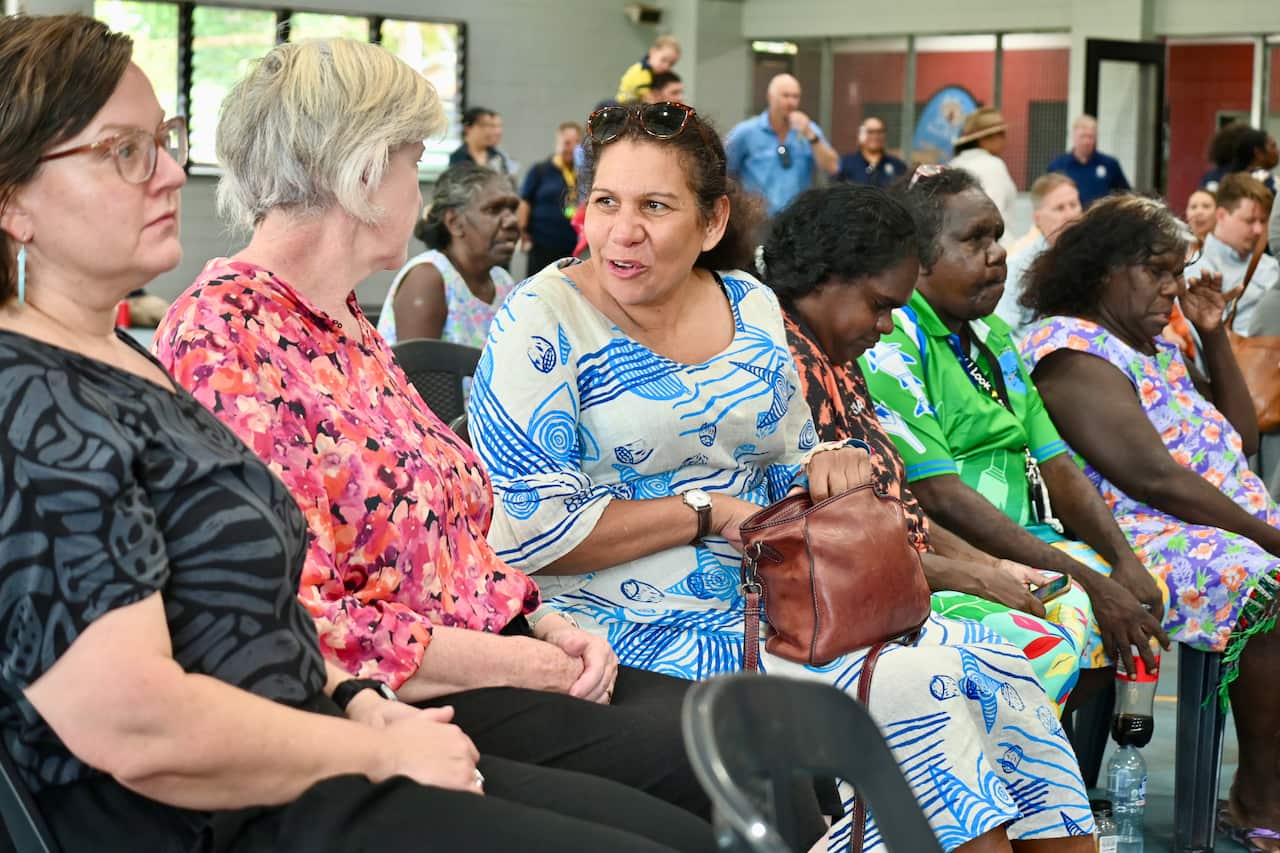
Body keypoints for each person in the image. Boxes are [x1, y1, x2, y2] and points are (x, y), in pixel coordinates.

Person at [0, 16, 712, 853]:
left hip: (326, 727)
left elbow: (259, 615)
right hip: (237, 804)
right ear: (12, 199)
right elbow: (140, 725)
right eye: (125, 150)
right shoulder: (38, 400)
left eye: (166, 140)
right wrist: (377, 740)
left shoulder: (120, 361)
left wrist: (361, 703)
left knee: (717, 786)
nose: (167, 173)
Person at [466, 100, 1096, 853]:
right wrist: (704, 510)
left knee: (1003, 678)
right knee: (916, 694)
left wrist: (825, 466)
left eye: (654, 206)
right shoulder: (540, 319)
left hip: (792, 603)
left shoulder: (751, 304)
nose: (621, 231)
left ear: (711, 221)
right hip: (635, 628)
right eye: (606, 201)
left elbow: (794, 454)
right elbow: (532, 531)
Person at [763, 184, 1094, 711]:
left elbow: (898, 506)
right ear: (824, 278)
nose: (886, 325)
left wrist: (991, 565)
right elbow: (834, 544)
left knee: (1060, 602)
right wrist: (972, 576)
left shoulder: (837, 357)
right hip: (844, 601)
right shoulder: (783, 367)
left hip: (904, 574)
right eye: (878, 306)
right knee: (1036, 646)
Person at [1018, 195, 1280, 851]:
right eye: (1159, 271)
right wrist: (1269, 535)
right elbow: (1151, 477)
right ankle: (1258, 797)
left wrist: (1214, 333)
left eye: (1177, 271)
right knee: (1270, 588)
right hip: (1144, 534)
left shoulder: (1155, 343)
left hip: (1217, 525)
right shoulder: (1070, 350)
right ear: (1105, 271)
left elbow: (1237, 438)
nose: (1173, 287)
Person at [863, 167, 1172, 697]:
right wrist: (1087, 578)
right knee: (1071, 615)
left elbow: (1056, 463)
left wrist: (1121, 561)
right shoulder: (893, 338)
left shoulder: (993, 336)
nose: (997, 253)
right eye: (974, 239)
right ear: (915, 256)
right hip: (957, 551)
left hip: (1034, 539)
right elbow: (938, 493)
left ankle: (1083, 767)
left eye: (998, 237)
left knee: (1140, 591)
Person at [376, 163, 518, 347]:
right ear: (454, 222)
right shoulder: (429, 278)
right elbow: (416, 373)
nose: (512, 221)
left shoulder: (503, 283)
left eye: (513, 209)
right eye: (494, 210)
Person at [726, 73, 839, 217]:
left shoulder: (809, 130)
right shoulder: (746, 132)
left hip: (797, 217)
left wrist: (811, 135)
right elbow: (726, 171)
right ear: (770, 97)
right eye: (785, 96)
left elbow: (833, 167)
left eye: (795, 96)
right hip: (757, 218)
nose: (791, 102)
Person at [1183, 173, 1276, 335]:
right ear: (1221, 216)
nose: (1259, 230)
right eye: (1250, 221)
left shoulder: (1271, 265)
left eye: (1263, 221)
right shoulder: (1198, 273)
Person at [994, 174, 1082, 338]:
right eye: (1060, 208)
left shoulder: (1095, 258)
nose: (1071, 215)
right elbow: (1002, 332)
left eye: (1074, 205)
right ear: (1037, 218)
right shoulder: (1018, 265)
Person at [519, 122, 582, 277]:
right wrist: (522, 231)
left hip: (571, 249)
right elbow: (524, 202)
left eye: (576, 144)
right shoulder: (540, 170)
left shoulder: (583, 174)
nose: (572, 148)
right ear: (558, 143)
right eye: (567, 143)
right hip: (541, 246)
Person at [949, 108, 1018, 247]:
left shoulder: (953, 164)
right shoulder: (993, 166)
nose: (1005, 138)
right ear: (984, 138)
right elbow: (993, 216)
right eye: (1000, 133)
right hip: (994, 247)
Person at [1046, 114, 1130, 207]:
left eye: (1090, 137)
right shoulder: (1058, 166)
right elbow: (1047, 198)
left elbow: (1125, 194)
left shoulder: (1110, 164)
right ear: (1074, 136)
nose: (1086, 141)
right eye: (1082, 136)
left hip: (1100, 218)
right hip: (1070, 219)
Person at [835, 116, 908, 188]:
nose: (875, 136)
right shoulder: (845, 164)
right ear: (861, 135)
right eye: (870, 132)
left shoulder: (897, 165)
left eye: (879, 132)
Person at [616, 34, 681, 105]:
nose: (666, 66)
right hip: (627, 101)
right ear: (652, 52)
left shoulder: (653, 71)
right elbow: (647, 96)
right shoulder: (643, 70)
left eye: (671, 64)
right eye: (663, 60)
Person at [448, 106, 513, 174]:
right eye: (484, 125)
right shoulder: (459, 157)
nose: (488, 131)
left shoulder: (496, 156)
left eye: (490, 126)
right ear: (468, 128)